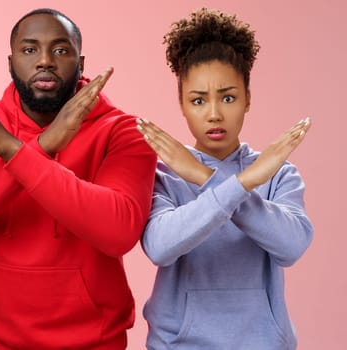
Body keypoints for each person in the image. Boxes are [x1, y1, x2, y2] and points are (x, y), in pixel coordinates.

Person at [0, 8, 157, 349]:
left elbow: (118, 231)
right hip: (0, 343)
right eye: (29, 50)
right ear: (10, 63)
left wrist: (13, 151)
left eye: (60, 50)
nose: (45, 61)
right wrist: (42, 146)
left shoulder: (123, 130)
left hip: (96, 344)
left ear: (81, 62)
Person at [135, 8, 313, 349]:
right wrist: (237, 183)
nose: (214, 113)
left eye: (228, 97)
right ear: (182, 105)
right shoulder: (167, 173)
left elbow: (291, 247)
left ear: (248, 99)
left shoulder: (277, 172)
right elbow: (159, 247)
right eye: (198, 100)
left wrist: (208, 178)